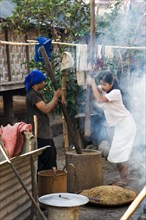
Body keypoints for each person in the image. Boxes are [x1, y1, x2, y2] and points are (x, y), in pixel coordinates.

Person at [87, 70, 136, 187]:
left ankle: (124, 180)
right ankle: (122, 178)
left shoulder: (116, 92)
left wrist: (93, 83)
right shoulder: (105, 89)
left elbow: (99, 99)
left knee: (122, 153)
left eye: (105, 84)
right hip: (120, 126)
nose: (103, 87)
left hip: (127, 125)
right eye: (102, 84)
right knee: (117, 152)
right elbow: (97, 90)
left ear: (112, 82)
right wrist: (90, 76)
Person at [24, 69, 61, 172]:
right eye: (43, 81)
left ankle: (47, 184)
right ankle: (45, 185)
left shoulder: (36, 94)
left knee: (50, 157)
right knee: (46, 161)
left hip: (44, 133)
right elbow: (45, 109)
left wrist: (56, 101)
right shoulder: (32, 95)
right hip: (40, 134)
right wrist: (55, 97)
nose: (44, 83)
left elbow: (47, 108)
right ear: (37, 83)